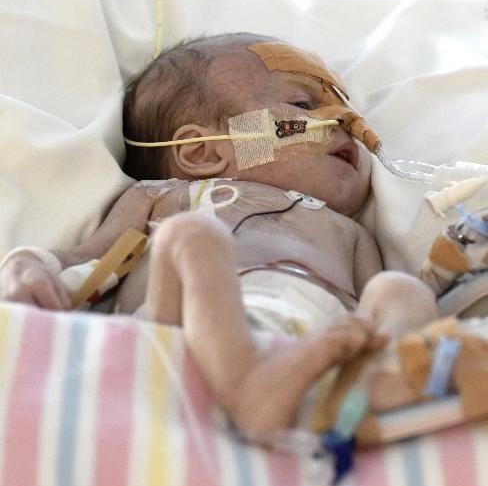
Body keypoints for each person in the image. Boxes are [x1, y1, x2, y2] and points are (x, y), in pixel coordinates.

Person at [0, 33, 438, 435]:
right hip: (177, 341)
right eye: (304, 107)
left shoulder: (349, 231)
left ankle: (365, 391)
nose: (342, 120)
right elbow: (91, 260)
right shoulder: (167, 198)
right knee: (194, 238)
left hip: (306, 353)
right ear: (202, 152)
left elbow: (366, 307)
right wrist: (26, 265)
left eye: (345, 109)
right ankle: (250, 384)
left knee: (399, 290)